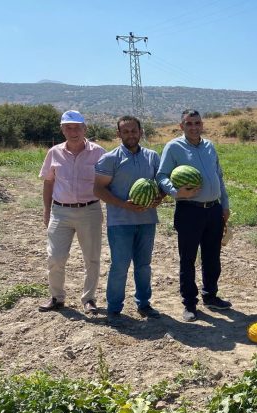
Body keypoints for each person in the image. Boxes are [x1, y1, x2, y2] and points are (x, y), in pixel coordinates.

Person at [156, 109, 231, 322]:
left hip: (213, 209)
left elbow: (219, 177)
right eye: (189, 123)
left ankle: (211, 295)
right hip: (189, 210)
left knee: (212, 256)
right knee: (187, 259)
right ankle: (189, 303)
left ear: (202, 124)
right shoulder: (173, 147)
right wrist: (174, 191)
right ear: (181, 126)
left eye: (197, 123)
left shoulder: (209, 146)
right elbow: (161, 176)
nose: (194, 127)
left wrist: (224, 205)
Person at [94, 116, 163, 320]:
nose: (130, 135)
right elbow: (98, 189)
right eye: (126, 131)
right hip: (120, 222)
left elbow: (162, 184)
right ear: (119, 134)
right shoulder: (110, 158)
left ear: (141, 132)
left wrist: (158, 198)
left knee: (144, 266)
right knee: (119, 266)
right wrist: (124, 204)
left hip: (147, 220)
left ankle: (144, 304)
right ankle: (114, 308)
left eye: (134, 131)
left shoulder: (152, 157)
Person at [38, 110, 106, 314]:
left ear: (85, 129)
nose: (73, 131)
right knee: (55, 257)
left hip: (90, 210)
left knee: (92, 258)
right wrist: (47, 210)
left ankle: (89, 299)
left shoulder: (99, 152)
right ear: (62, 130)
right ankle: (57, 297)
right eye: (68, 127)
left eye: (77, 127)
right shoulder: (54, 152)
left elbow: (107, 182)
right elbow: (48, 183)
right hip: (60, 212)